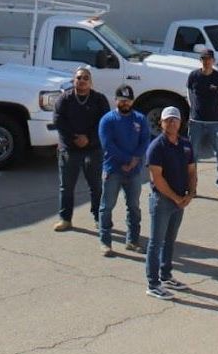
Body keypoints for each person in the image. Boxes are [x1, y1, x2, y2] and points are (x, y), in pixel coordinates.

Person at [144, 106, 197, 299]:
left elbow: (192, 171)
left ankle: (165, 275)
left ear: (180, 122)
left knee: (170, 241)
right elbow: (157, 178)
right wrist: (176, 198)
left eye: (175, 119)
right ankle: (153, 283)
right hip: (163, 201)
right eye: (168, 120)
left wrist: (190, 194)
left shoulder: (185, 144)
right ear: (162, 123)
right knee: (156, 242)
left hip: (180, 201)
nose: (172, 123)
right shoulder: (157, 146)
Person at [97, 84, 151, 257]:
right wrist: (127, 160)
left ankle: (133, 240)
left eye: (128, 100)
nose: (125, 103)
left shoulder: (140, 119)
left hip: (134, 171)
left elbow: (145, 141)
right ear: (116, 101)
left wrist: (135, 159)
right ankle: (105, 242)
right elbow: (108, 145)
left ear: (132, 101)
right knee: (107, 207)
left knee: (134, 206)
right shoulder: (108, 120)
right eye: (121, 100)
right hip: (113, 169)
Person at [53, 67, 109, 232]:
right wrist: (74, 139)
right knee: (66, 187)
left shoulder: (99, 100)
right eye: (79, 78)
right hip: (69, 148)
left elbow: (104, 123)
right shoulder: (64, 99)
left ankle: (98, 218)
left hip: (93, 148)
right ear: (74, 81)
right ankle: (65, 219)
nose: (82, 80)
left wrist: (89, 139)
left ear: (90, 82)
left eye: (85, 78)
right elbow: (58, 121)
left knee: (96, 185)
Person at [187, 49, 218, 200]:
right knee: (193, 156)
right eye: (203, 59)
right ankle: (192, 188)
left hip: (215, 122)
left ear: (213, 61)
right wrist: (195, 111)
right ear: (200, 60)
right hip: (196, 122)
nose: (206, 61)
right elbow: (190, 95)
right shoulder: (193, 76)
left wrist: (214, 112)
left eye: (209, 59)